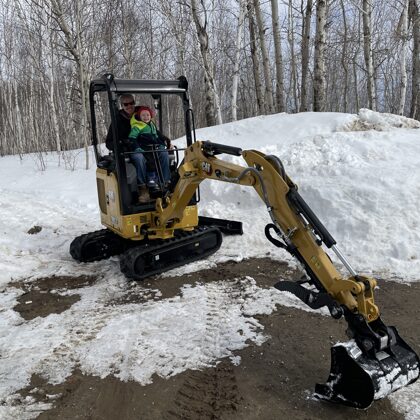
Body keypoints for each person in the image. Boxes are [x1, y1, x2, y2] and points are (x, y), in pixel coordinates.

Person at [128, 106, 171, 202]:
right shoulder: (137, 126)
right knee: (140, 159)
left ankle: (165, 182)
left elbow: (157, 137)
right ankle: (143, 187)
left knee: (164, 153)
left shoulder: (152, 125)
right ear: (139, 116)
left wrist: (161, 145)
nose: (146, 117)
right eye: (143, 115)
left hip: (152, 149)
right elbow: (132, 139)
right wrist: (137, 148)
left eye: (148, 115)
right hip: (142, 149)